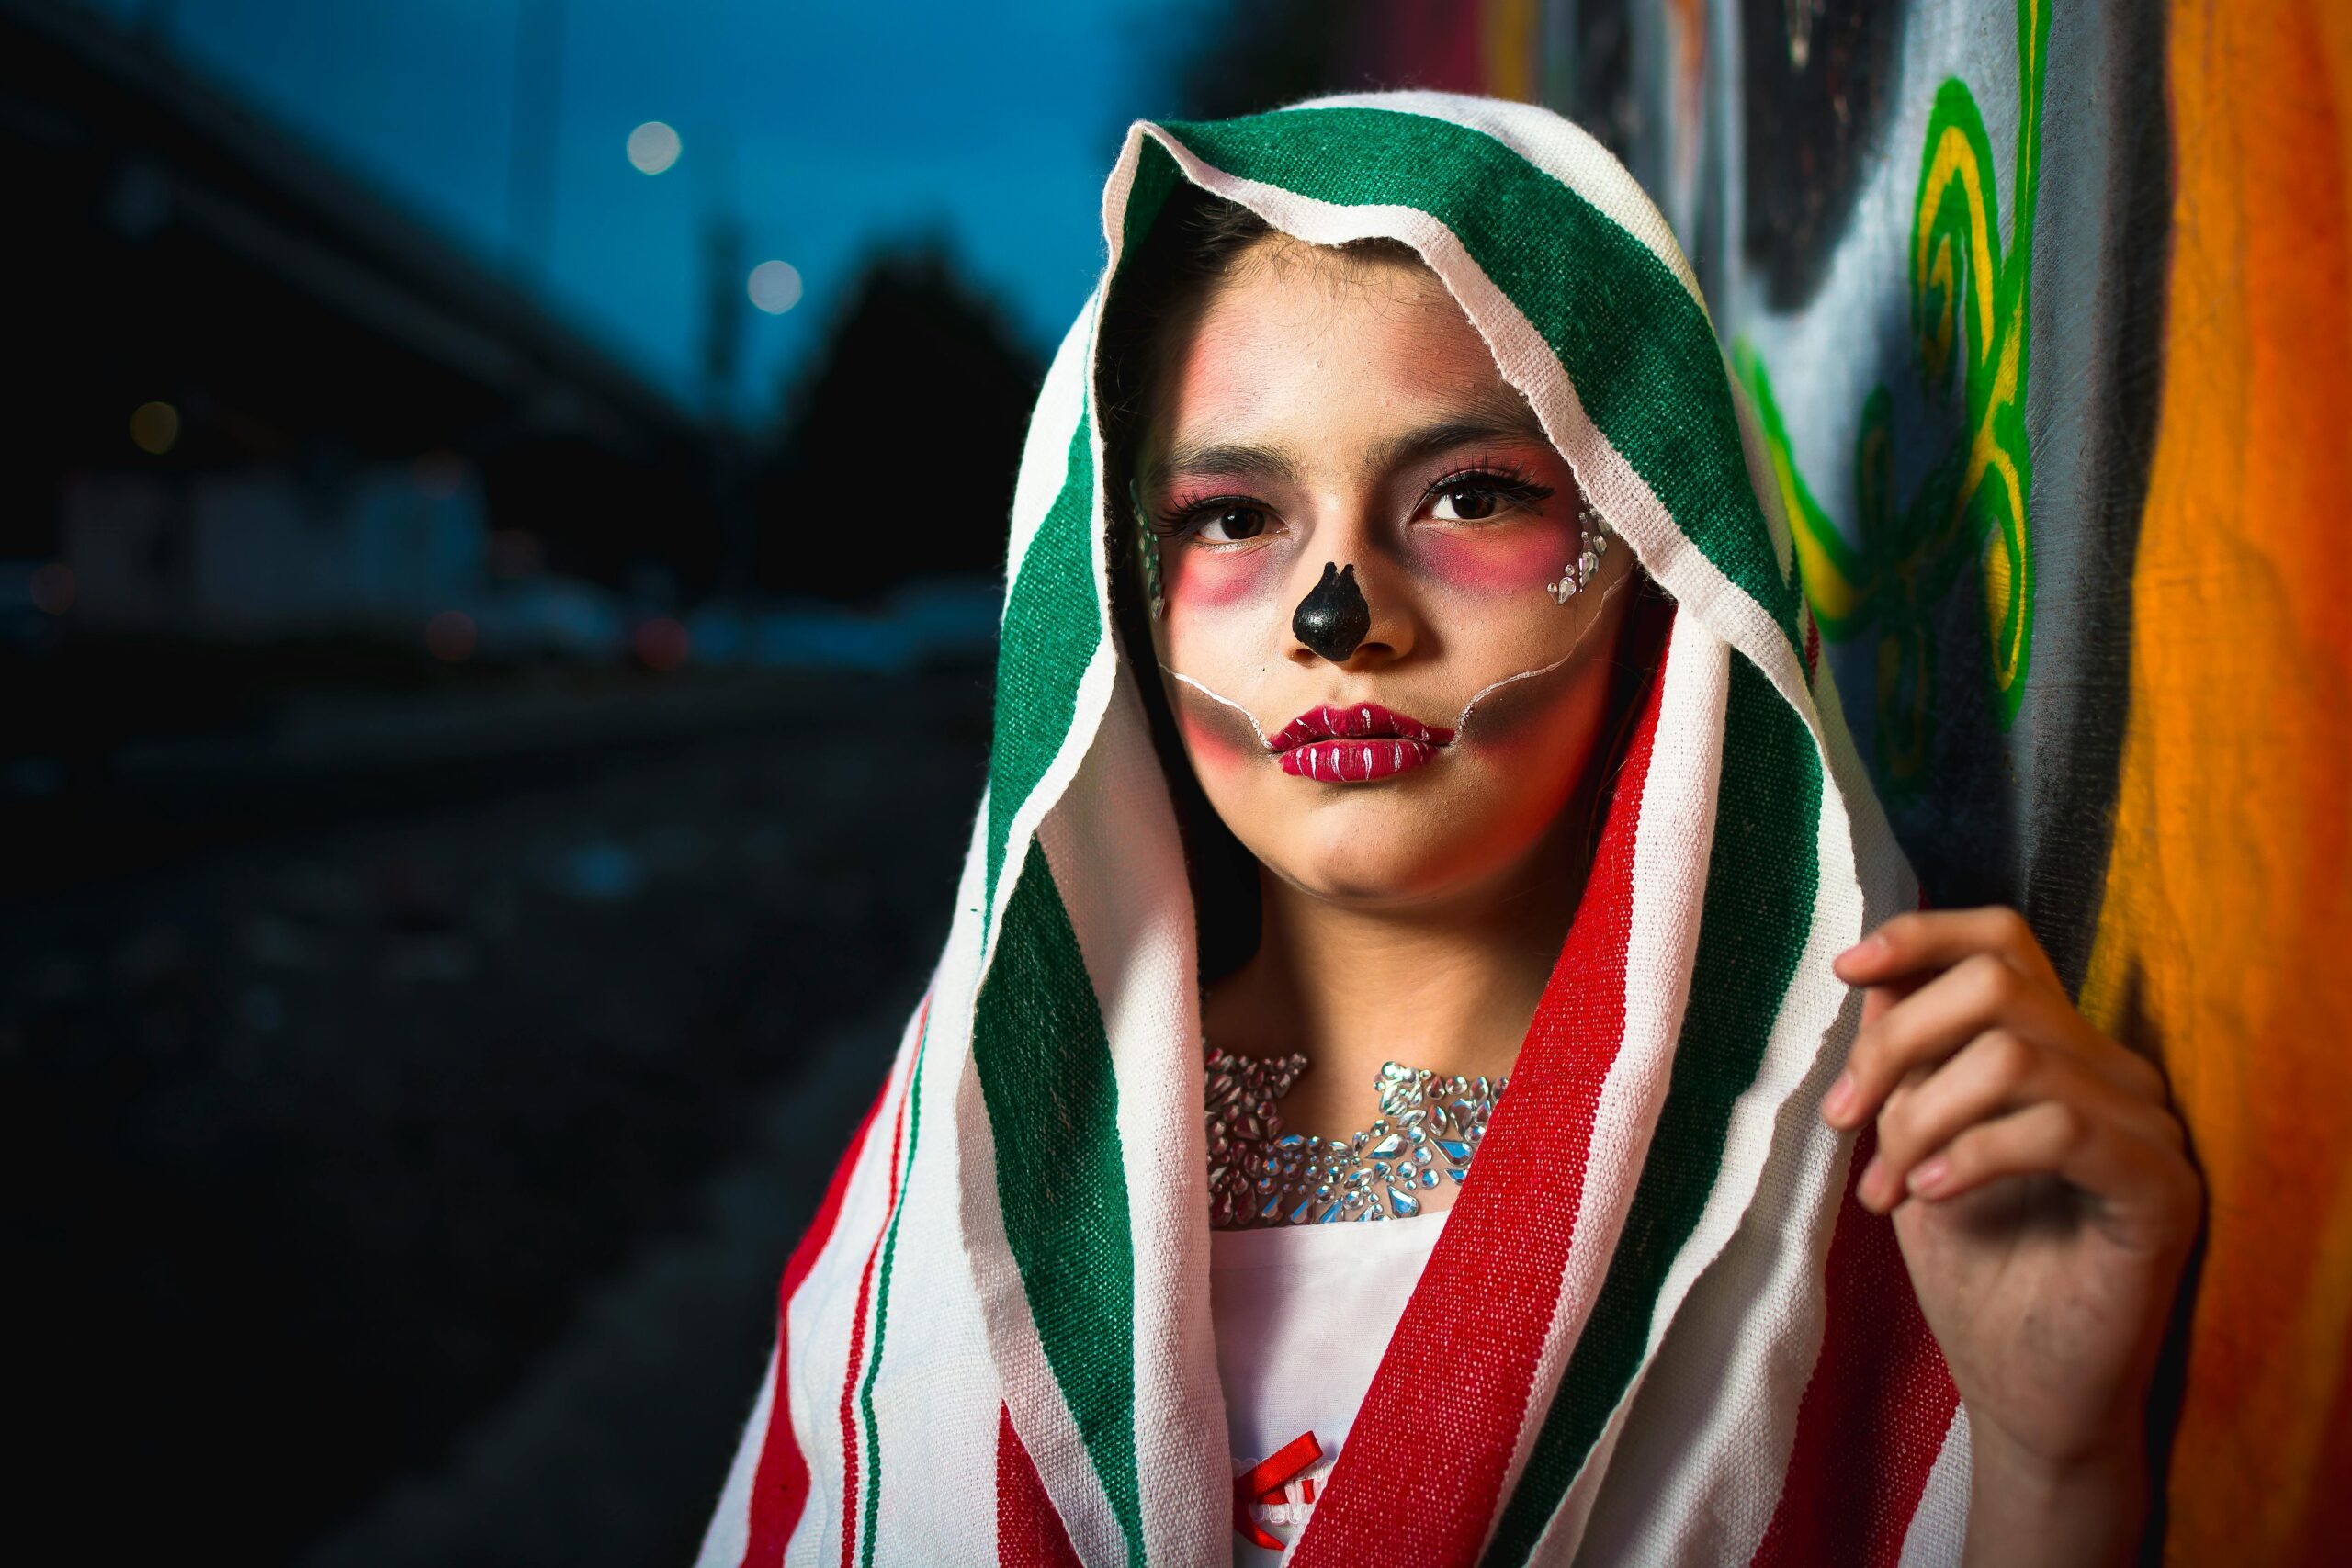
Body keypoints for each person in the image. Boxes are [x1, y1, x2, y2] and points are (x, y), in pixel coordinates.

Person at [696, 92, 2199, 1568]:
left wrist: (2053, 1464)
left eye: (1471, 496)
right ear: (1113, 595)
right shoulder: (965, 1192)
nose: (1339, 614)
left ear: (1663, 558)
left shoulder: (1865, 1181)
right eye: (1232, 517)